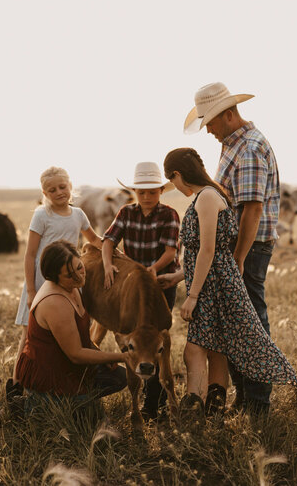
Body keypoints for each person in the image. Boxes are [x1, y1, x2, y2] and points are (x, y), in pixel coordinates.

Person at [166, 82, 282, 415]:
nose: (210, 131)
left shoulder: (248, 148)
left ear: (228, 115)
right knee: (234, 323)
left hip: (248, 247)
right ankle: (243, 397)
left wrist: (238, 258)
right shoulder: (235, 144)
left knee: (250, 323)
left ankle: (257, 403)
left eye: (211, 124)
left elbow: (252, 209)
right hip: (233, 249)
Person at [162, 148, 297, 422]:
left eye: (171, 180)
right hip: (212, 280)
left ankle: (193, 416)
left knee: (194, 350)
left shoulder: (208, 198)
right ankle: (213, 415)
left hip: (213, 285)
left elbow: (208, 250)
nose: (174, 187)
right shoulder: (209, 195)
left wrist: (192, 296)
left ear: (177, 174)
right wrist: (178, 277)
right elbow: (206, 251)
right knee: (216, 348)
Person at [10, 167, 103, 388]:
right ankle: (16, 387)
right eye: (52, 190)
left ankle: (64, 387)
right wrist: (32, 291)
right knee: (29, 340)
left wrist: (115, 252)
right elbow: (30, 254)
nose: (59, 192)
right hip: (41, 283)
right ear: (44, 192)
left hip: (69, 283)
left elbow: (95, 240)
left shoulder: (78, 214)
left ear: (71, 187)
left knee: (71, 336)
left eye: (62, 187)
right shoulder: (42, 215)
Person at [101, 161, 180, 421]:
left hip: (160, 282)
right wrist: (108, 264)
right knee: (137, 336)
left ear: (161, 191)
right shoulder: (126, 212)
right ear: (135, 191)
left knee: (156, 339)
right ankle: (144, 396)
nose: (147, 197)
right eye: (142, 192)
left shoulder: (169, 214)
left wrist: (152, 270)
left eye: (152, 192)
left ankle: (153, 402)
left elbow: (170, 251)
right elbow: (109, 240)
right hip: (134, 286)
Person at [15, 240, 128, 413]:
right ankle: (37, 404)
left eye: (79, 267)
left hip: (64, 365)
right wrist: (123, 357)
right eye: (69, 275)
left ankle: (74, 400)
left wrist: (103, 356)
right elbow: (75, 354)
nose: (79, 276)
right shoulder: (55, 302)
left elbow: (80, 338)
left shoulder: (71, 286)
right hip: (50, 376)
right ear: (54, 277)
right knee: (89, 415)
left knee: (119, 377)